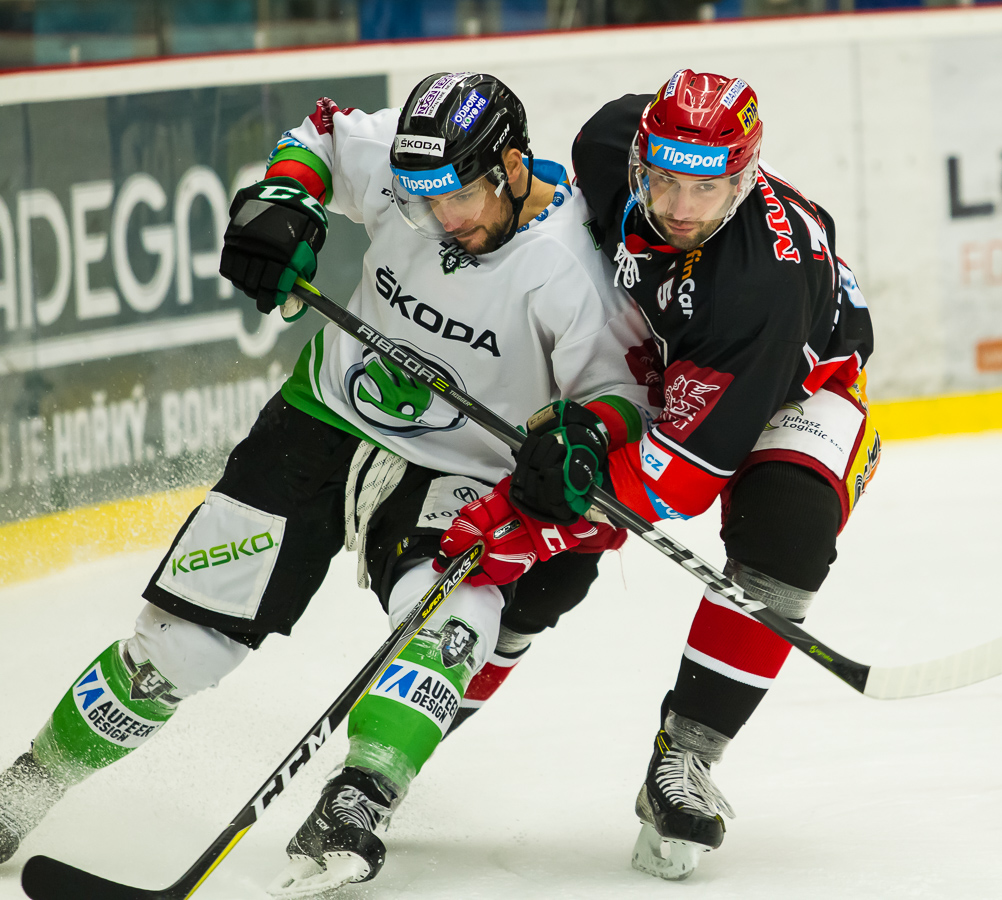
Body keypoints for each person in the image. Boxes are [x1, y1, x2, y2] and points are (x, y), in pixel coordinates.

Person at [0, 72, 655, 896]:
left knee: (457, 615)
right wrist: (284, 200)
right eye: (420, 204)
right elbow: (322, 134)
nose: (441, 222)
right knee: (179, 648)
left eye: (459, 200)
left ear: (513, 166)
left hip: (458, 468)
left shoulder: (575, 268)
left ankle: (360, 798)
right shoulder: (412, 168)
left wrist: (583, 435)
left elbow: (620, 397)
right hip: (320, 422)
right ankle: (23, 791)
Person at [440, 70, 879, 880]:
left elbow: (681, 480)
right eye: (665, 180)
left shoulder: (761, 284)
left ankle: (686, 758)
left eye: (707, 189)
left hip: (790, 382)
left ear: (744, 180)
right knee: (547, 573)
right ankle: (407, 733)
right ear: (639, 155)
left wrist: (530, 519)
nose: (680, 207)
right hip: (651, 364)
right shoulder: (609, 139)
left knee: (790, 526)